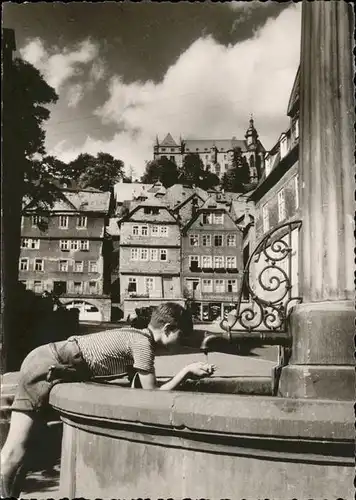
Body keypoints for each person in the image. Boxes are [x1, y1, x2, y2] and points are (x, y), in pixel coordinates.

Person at [0, 302, 215, 497]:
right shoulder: (142, 344)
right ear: (167, 329)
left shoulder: (136, 336)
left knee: (26, 449)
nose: (184, 342)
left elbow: (137, 388)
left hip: (48, 359)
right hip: (48, 366)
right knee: (15, 449)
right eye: (182, 336)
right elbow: (152, 395)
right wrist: (185, 371)